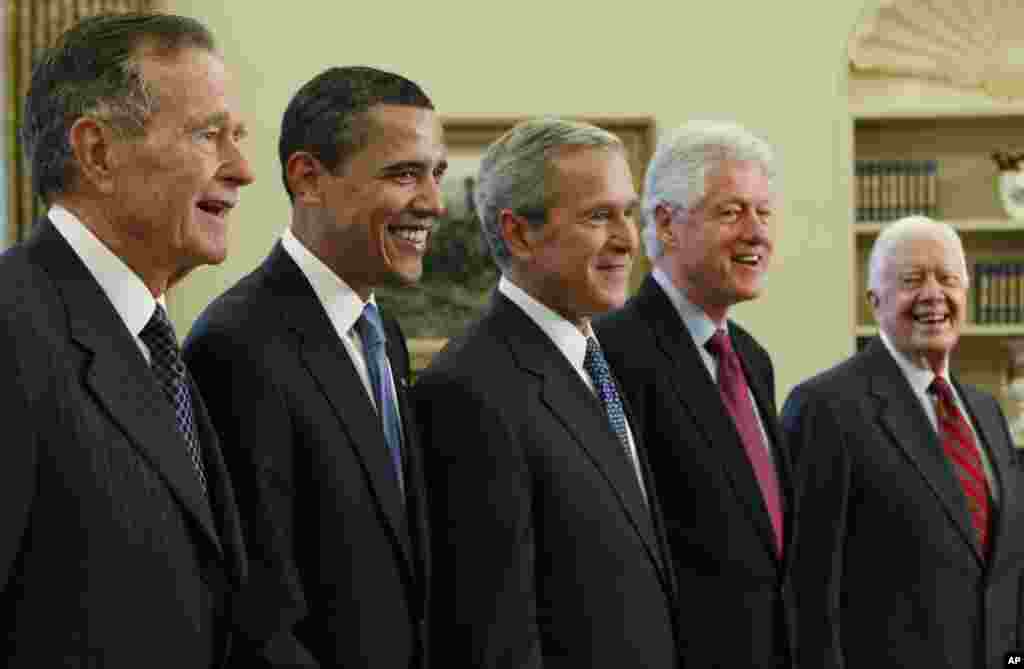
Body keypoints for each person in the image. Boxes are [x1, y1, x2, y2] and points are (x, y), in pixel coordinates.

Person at [0, 12, 253, 667]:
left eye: (237, 136)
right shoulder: (11, 326)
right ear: (98, 152)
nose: (241, 168)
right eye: (208, 135)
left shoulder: (153, 341)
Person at [183, 66, 443, 668]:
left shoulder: (386, 338)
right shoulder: (237, 345)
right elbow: (259, 617)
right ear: (309, 179)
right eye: (404, 174)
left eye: (436, 174)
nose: (431, 203)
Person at [415, 117, 680, 668]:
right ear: (519, 233)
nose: (628, 239)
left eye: (627, 213)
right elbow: (494, 636)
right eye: (598, 216)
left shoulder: (598, 358)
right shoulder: (468, 390)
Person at [782, 216, 1024, 668]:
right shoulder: (825, 408)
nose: (934, 294)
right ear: (875, 300)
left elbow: (1005, 572)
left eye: (948, 279)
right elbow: (807, 592)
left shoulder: (987, 412)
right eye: (912, 280)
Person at [596, 120, 795, 668]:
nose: (756, 232)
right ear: (667, 223)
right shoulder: (611, 353)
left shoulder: (752, 358)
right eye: (731, 212)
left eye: (764, 212)